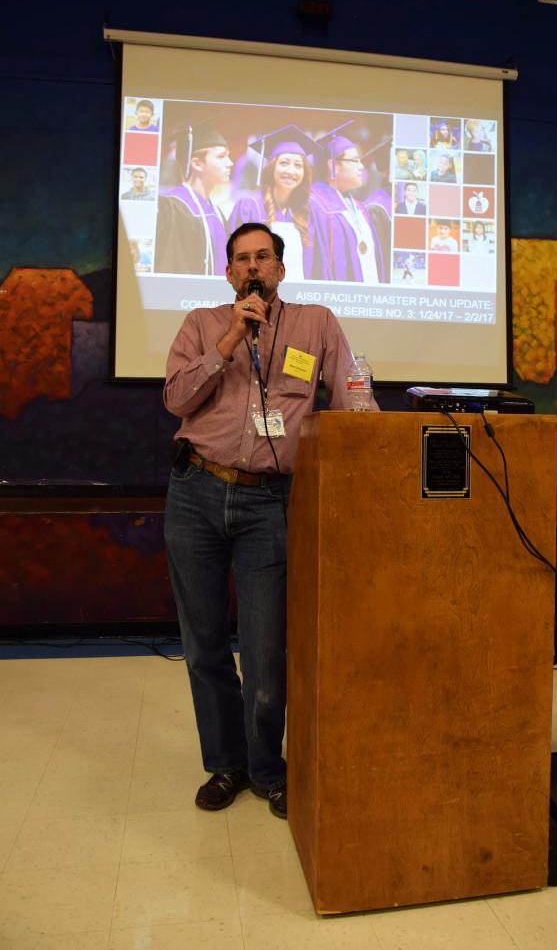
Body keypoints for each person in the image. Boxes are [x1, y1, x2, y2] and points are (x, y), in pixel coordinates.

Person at [164, 222, 366, 820]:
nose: (253, 268)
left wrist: (377, 439)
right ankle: (225, 764)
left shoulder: (318, 323)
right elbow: (176, 399)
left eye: (264, 257)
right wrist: (229, 340)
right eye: (242, 260)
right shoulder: (202, 325)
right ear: (229, 274)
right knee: (203, 645)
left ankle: (266, 769)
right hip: (196, 490)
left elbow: (353, 396)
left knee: (265, 650)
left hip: (270, 502)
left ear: (281, 268)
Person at [228, 125, 324, 282]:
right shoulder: (250, 207)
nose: (291, 171)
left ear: (305, 173)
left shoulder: (306, 213)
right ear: (271, 167)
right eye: (284, 163)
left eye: (298, 165)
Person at [155, 123, 233, 275]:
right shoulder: (173, 208)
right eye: (221, 156)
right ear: (197, 163)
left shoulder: (217, 212)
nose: (230, 163)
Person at [310, 132, 388, 283]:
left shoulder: (359, 207)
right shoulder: (315, 205)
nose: (361, 166)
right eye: (355, 160)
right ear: (333, 165)